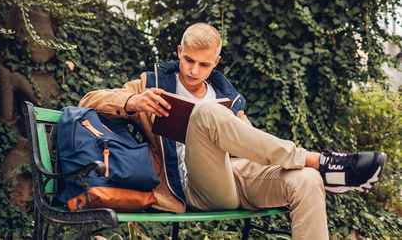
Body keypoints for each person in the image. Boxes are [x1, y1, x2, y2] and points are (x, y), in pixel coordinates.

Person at [79, 23, 387, 239]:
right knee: (208, 113)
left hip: (239, 176)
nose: (193, 70)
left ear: (216, 60)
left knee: (305, 181)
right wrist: (133, 101)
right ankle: (320, 161)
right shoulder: (153, 85)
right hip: (191, 188)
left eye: (203, 64)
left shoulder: (225, 94)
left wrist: (239, 126)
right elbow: (89, 101)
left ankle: (315, 169)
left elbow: (248, 146)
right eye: (188, 60)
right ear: (179, 51)